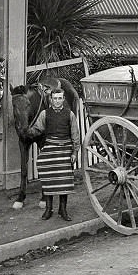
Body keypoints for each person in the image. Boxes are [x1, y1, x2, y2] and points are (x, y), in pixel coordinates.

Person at [27, 88, 82, 222]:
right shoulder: (44, 114)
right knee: (48, 178)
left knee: (64, 181)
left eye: (59, 98)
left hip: (65, 149)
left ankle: (62, 209)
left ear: (63, 99)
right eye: (55, 98)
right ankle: (49, 209)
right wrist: (27, 131)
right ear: (51, 100)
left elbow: (75, 135)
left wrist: (75, 152)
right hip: (50, 147)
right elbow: (37, 129)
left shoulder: (70, 115)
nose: (57, 101)